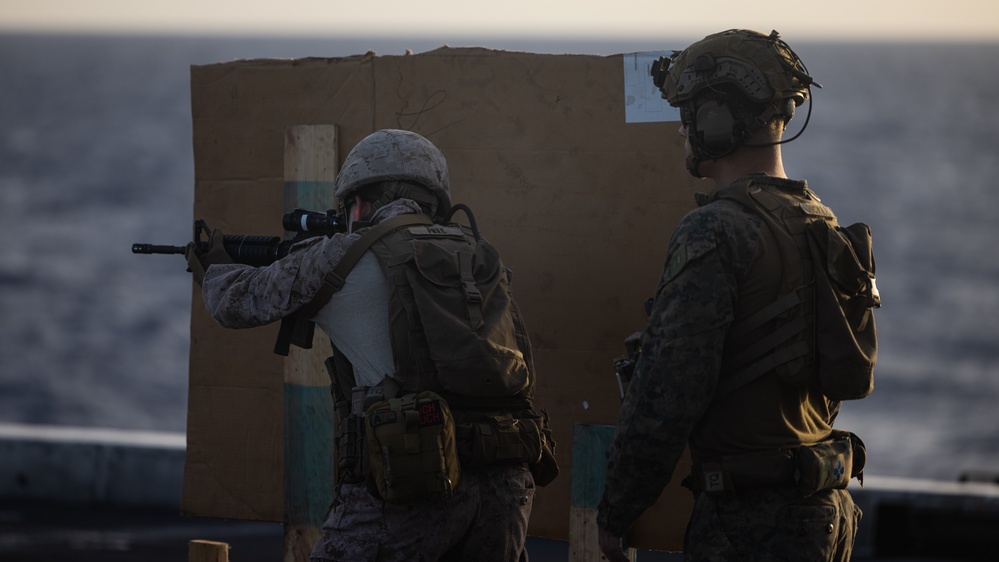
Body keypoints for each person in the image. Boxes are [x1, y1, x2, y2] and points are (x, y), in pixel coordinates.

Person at [187, 129, 557, 562]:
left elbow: (236, 303)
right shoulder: (481, 257)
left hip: (412, 479)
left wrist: (212, 266)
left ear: (359, 203)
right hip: (505, 484)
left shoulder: (342, 255)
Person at [597, 30, 869, 561]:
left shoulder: (716, 230)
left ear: (717, 120)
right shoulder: (818, 220)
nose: (682, 129)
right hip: (825, 509)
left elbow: (669, 390)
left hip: (752, 524)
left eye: (690, 113)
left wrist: (617, 511)